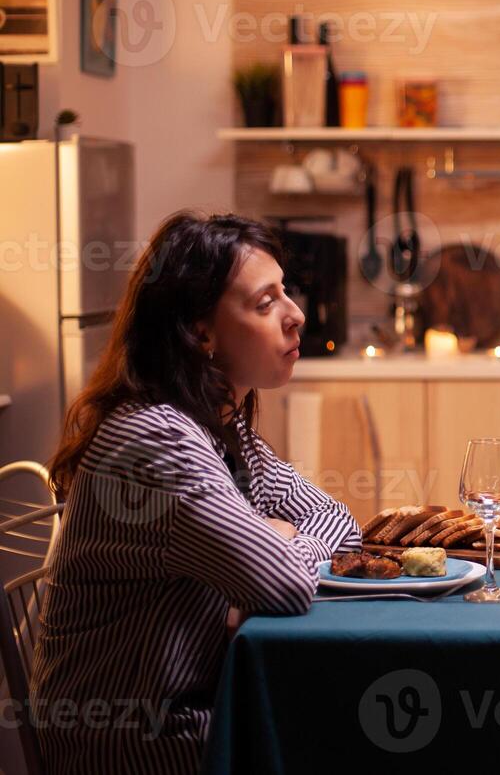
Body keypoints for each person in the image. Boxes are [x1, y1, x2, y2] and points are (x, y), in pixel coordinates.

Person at [32, 213, 360, 773]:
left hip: (194, 710)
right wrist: (273, 549)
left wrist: (280, 543)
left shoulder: (220, 429)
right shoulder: (155, 441)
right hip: (139, 743)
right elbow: (282, 583)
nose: (296, 315)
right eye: (265, 303)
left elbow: (339, 522)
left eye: (286, 293)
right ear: (201, 333)